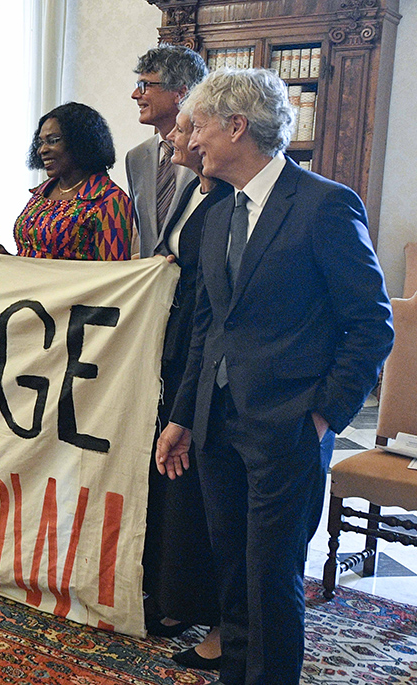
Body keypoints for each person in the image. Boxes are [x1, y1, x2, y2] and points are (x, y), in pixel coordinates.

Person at [156, 68, 394, 685]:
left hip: (287, 429)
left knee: (270, 581)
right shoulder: (212, 216)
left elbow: (371, 326)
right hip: (215, 428)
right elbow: (209, 330)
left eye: (201, 125)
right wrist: (183, 416)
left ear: (237, 127)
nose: (194, 139)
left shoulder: (323, 205)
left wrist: (321, 418)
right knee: (231, 573)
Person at [142, 109, 231, 670]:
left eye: (187, 129)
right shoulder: (193, 194)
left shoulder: (231, 203)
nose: (176, 137)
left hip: (215, 366)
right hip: (179, 350)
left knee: (209, 494)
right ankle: (181, 601)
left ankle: (223, 621)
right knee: (178, 485)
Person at [0, 103, 131, 261]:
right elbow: (34, 257)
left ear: (81, 142)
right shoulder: (42, 193)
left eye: (53, 141)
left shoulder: (110, 200)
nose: (42, 150)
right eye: (41, 143)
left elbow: (113, 276)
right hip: (25, 285)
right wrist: (6, 258)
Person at [126, 45, 207, 258]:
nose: (135, 95)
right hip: (151, 285)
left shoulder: (209, 154)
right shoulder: (135, 158)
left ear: (181, 93)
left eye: (144, 86)